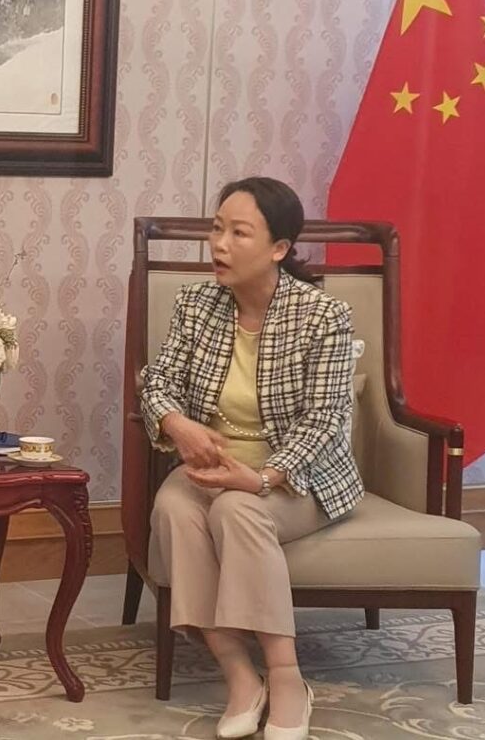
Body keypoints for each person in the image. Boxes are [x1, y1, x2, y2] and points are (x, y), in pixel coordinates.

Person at [140, 177, 363, 740]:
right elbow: (157, 382)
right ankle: (239, 674)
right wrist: (177, 424)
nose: (219, 244)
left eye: (239, 233)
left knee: (236, 510)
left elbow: (325, 420)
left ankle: (286, 678)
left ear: (279, 248)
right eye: (217, 229)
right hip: (208, 468)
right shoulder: (196, 304)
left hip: (298, 476)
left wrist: (262, 477)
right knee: (175, 509)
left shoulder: (323, 316)